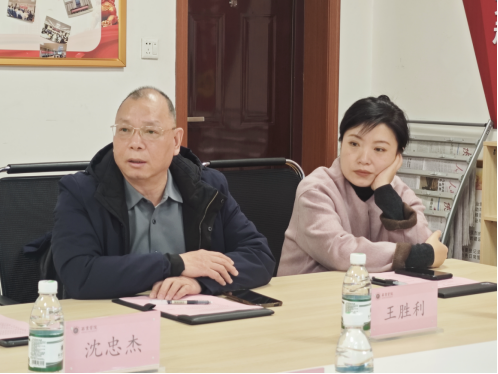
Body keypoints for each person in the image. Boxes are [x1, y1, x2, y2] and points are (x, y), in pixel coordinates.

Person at [52, 87, 275, 300]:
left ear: (176, 141)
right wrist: (177, 264)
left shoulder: (208, 187)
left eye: (150, 132)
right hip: (114, 318)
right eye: (124, 130)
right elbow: (78, 274)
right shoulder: (81, 192)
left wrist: (200, 282)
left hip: (191, 316)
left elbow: (259, 256)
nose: (135, 144)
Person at [278, 95, 448, 276]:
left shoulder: (398, 191)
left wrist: (386, 194)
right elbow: (340, 252)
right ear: (341, 143)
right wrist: (416, 256)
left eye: (379, 149)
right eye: (354, 144)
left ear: (398, 156)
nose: (364, 159)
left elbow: (426, 243)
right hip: (312, 291)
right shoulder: (315, 189)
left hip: (375, 291)